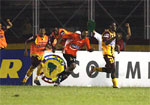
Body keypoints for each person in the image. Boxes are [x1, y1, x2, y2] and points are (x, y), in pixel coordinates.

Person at [89, 22, 120, 88]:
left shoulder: (114, 33)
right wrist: (114, 38)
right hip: (107, 53)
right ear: (110, 26)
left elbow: (112, 44)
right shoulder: (106, 33)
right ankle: (115, 85)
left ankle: (95, 69)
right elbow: (106, 42)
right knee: (113, 68)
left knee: (109, 70)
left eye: (115, 26)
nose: (115, 27)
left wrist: (117, 47)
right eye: (114, 26)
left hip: (112, 54)